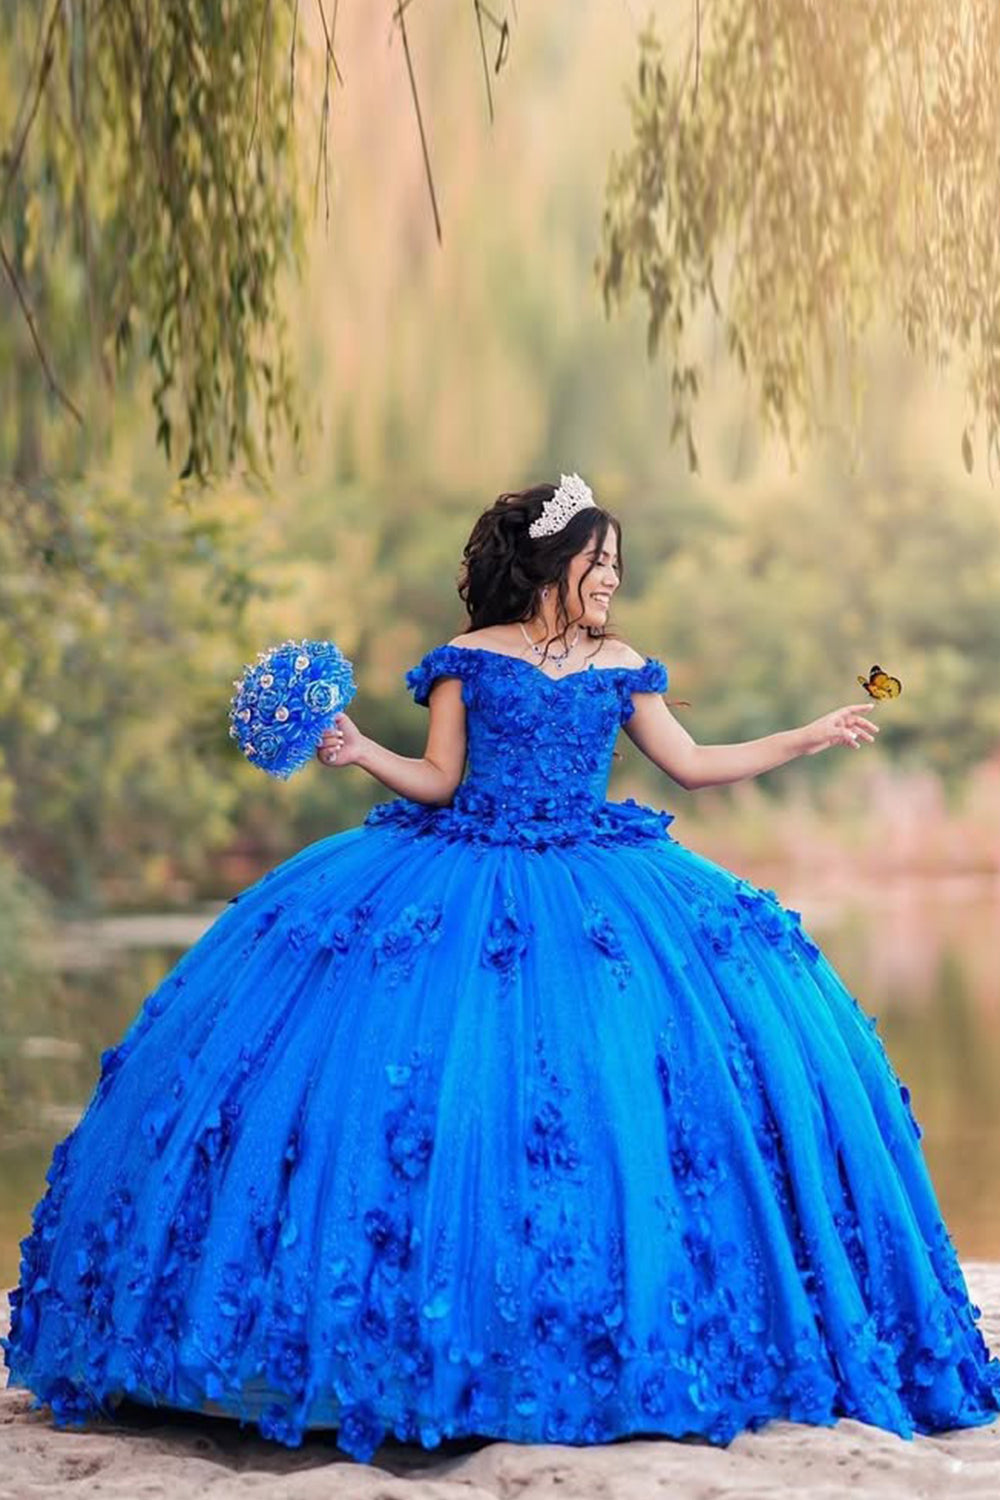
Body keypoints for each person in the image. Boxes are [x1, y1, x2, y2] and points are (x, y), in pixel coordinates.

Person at [4, 476, 999, 1466]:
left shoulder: (623, 663)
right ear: (551, 565)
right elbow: (438, 780)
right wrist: (358, 750)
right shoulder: (466, 662)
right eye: (598, 563)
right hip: (465, 871)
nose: (612, 579)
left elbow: (691, 766)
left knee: (626, 1084)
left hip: (601, 884)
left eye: (617, 566)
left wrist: (810, 734)